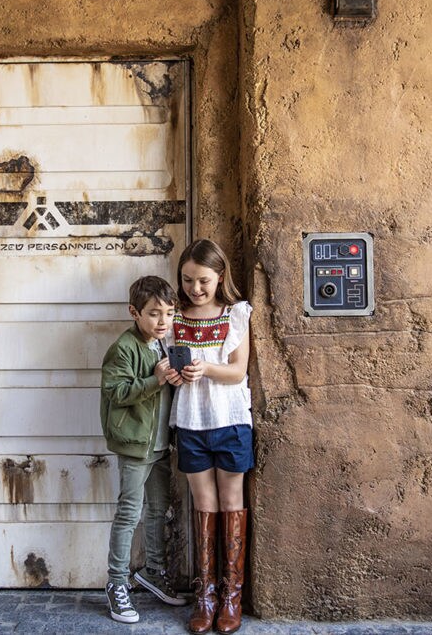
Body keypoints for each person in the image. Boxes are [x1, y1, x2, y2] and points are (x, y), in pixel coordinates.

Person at [169, 239, 253, 635]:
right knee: (204, 505)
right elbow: (164, 363)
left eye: (203, 280)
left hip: (231, 421)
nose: (194, 288)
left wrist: (205, 368)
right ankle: (206, 596)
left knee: (231, 502)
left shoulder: (236, 314)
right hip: (190, 422)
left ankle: (232, 597)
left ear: (220, 277)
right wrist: (169, 374)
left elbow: (237, 371)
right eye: (187, 280)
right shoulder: (174, 318)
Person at [100, 275, 189, 624]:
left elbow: (165, 389)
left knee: (157, 511)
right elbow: (116, 392)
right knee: (129, 512)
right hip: (136, 446)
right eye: (154, 313)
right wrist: (156, 380)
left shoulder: (164, 344)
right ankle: (116, 583)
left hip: (160, 445)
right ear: (134, 313)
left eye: (169, 313)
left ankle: (153, 572)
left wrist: (175, 380)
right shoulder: (124, 347)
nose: (163, 321)